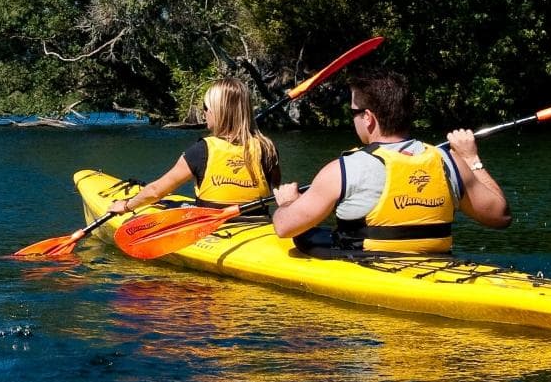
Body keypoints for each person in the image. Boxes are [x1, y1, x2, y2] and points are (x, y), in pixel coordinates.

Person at [271, 68, 510, 252]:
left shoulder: (342, 170)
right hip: (436, 266)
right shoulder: (449, 161)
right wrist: (471, 158)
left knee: (306, 235)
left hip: (369, 270)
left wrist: (287, 204)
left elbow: (284, 227)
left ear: (368, 118)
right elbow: (500, 216)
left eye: (353, 112)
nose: (352, 119)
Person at [107, 79, 281, 216]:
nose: (204, 113)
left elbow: (155, 191)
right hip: (258, 222)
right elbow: (275, 190)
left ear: (217, 111)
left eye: (205, 108)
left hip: (216, 227)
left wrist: (127, 206)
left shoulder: (202, 150)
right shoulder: (266, 147)